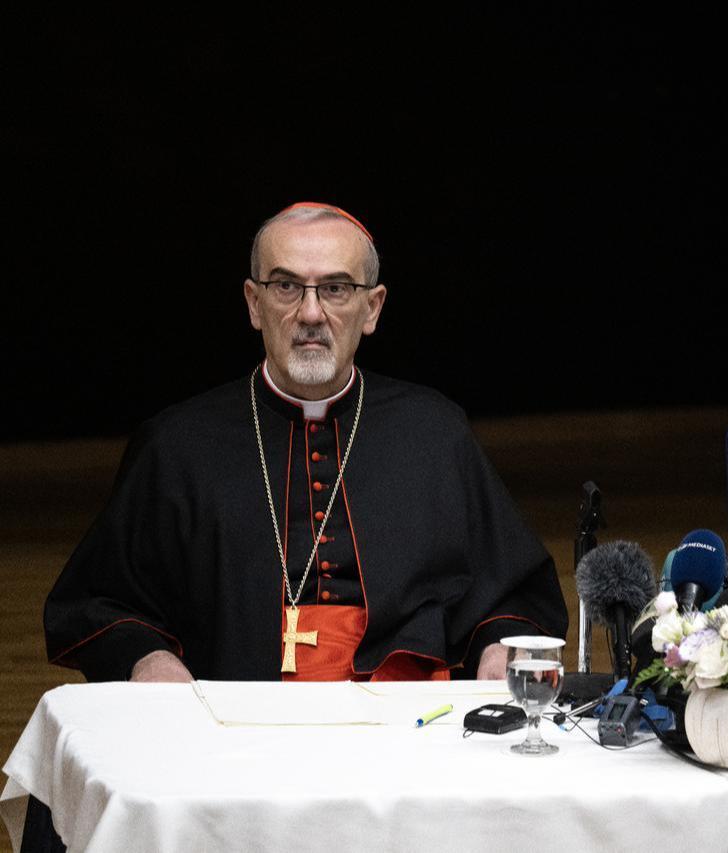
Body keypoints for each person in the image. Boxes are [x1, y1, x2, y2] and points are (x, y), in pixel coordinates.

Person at [45, 202, 568, 683]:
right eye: (287, 287)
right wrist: (148, 659)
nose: (312, 313)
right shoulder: (178, 444)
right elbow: (101, 601)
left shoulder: (434, 432)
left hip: (408, 731)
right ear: (254, 303)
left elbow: (511, 591)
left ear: (372, 309)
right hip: (228, 728)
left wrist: (499, 649)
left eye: (336, 288)